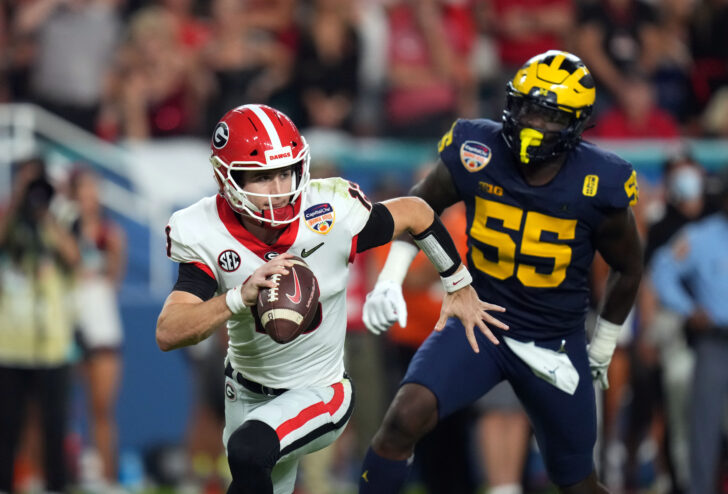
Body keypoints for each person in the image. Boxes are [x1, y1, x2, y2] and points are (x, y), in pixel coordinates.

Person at [154, 103, 507, 494]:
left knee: (248, 450)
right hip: (245, 392)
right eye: (261, 176)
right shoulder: (205, 230)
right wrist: (238, 297)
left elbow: (416, 212)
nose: (279, 189)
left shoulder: (327, 212)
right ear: (226, 177)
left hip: (320, 391)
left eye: (286, 171)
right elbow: (169, 332)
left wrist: (458, 283)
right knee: (256, 471)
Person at [359, 50, 643, 494]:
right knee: (402, 418)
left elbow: (629, 267)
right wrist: (389, 279)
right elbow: (418, 207)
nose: (532, 124)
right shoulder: (478, 149)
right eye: (527, 108)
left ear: (576, 123)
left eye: (549, 116)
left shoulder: (598, 181)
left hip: (554, 340)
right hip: (481, 320)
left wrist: (602, 346)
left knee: (577, 482)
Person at [0, 157, 80, 493]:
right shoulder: (8, 220)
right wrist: (18, 200)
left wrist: (45, 215)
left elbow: (74, 257)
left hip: (52, 346)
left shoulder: (61, 220)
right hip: (9, 346)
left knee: (54, 426)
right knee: (6, 428)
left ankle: (55, 487)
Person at [649, 168, 728, 494]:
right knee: (704, 426)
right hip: (715, 341)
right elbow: (662, 270)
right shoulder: (700, 236)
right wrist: (687, 308)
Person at [68, 166, 126, 487]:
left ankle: (107, 478)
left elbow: (113, 280)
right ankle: (36, 475)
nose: (89, 198)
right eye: (83, 191)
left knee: (102, 407)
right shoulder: (60, 231)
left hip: (102, 328)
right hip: (66, 326)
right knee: (50, 406)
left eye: (94, 191)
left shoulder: (111, 233)